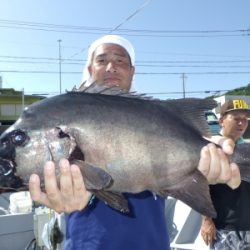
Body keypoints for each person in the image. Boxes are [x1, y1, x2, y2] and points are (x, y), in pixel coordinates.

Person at [29, 35, 241, 250]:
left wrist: (220, 151)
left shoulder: (158, 118)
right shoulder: (62, 123)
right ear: (90, 69)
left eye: (120, 61)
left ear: (132, 71)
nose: (111, 67)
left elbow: (200, 142)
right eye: (101, 61)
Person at [201, 99, 250, 250]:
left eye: (245, 119)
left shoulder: (246, 148)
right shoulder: (210, 147)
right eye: (236, 118)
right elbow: (200, 186)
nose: (241, 123)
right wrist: (206, 220)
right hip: (224, 228)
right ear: (221, 120)